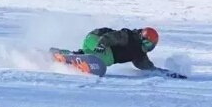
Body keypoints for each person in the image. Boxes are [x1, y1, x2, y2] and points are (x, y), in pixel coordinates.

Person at [57, 27, 187, 79]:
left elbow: (148, 68)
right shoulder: (128, 36)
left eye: (151, 47)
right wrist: (102, 44)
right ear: (142, 38)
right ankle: (73, 56)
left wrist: (169, 74)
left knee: (107, 58)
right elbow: (109, 37)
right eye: (147, 44)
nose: (148, 48)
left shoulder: (139, 54)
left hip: (102, 48)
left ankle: (69, 55)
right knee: (106, 58)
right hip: (96, 38)